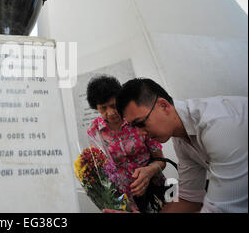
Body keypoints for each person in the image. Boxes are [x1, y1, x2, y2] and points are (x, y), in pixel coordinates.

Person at [116, 78, 248, 213]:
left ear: (163, 106)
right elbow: (189, 199)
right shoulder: (180, 138)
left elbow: (221, 209)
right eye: (134, 127)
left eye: (140, 123)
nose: (139, 134)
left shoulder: (218, 125)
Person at [86, 75, 167, 212]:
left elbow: (161, 160)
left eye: (113, 105)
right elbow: (102, 170)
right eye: (103, 108)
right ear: (96, 108)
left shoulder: (135, 120)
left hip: (155, 189)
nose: (110, 113)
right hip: (126, 199)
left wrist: (149, 172)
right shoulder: (94, 132)